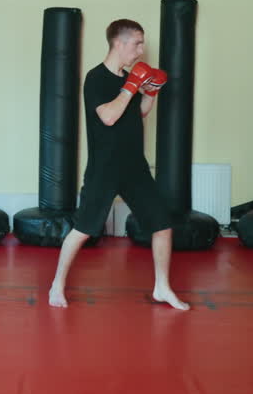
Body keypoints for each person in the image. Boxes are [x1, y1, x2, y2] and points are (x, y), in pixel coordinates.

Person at [49, 19, 189, 311]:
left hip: (134, 165)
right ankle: (57, 284)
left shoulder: (128, 78)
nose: (140, 50)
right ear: (119, 43)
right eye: (137, 43)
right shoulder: (96, 78)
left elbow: (137, 114)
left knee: (162, 225)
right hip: (105, 167)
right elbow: (109, 116)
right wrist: (131, 85)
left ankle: (162, 287)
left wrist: (150, 92)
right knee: (84, 228)